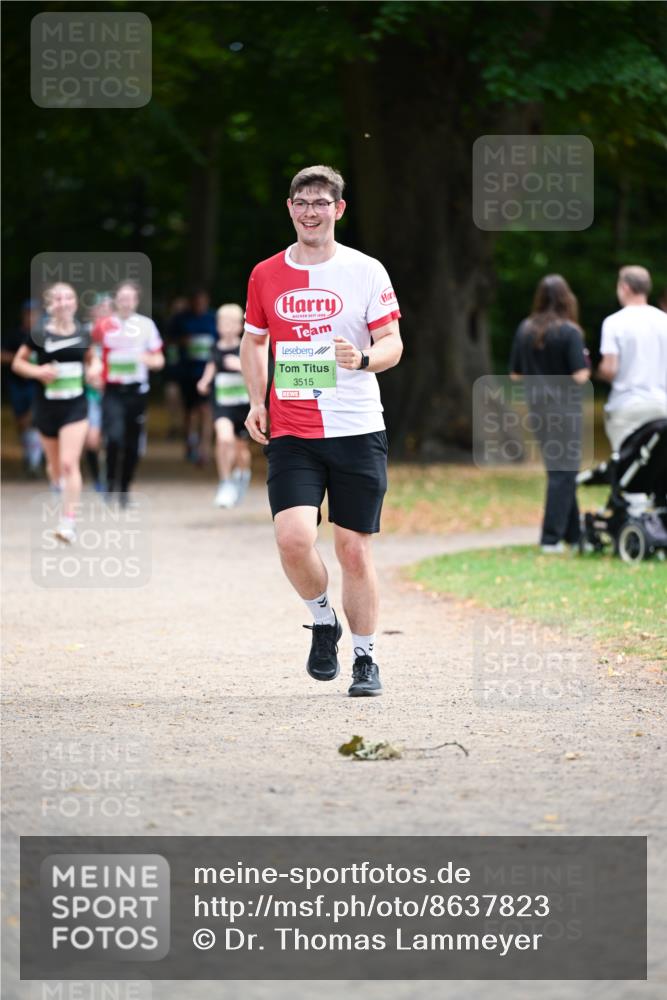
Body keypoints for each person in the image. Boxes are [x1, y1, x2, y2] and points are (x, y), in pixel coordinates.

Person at [241, 164, 402, 697]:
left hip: (357, 427)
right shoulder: (265, 273)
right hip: (292, 427)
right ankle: (323, 620)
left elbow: (393, 344)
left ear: (339, 209)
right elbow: (253, 341)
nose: (311, 211)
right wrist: (255, 400)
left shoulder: (366, 271)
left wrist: (360, 358)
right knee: (293, 539)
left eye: (321, 202)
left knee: (353, 549)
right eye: (302, 202)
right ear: (290, 208)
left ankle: (365, 658)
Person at [11, 282, 99, 542]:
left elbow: (92, 359)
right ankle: (61, 491)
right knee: (55, 467)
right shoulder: (39, 333)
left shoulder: (84, 333)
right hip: (47, 407)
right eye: (58, 299)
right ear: (51, 305)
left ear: (74, 303)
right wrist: (38, 372)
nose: (63, 302)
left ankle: (68, 523)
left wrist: (94, 369)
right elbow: (18, 362)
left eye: (68, 298)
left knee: (69, 463)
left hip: (76, 406)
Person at [509, 274, 590, 554]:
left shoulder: (525, 329)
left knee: (560, 471)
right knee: (563, 472)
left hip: (538, 410)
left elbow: (516, 375)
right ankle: (551, 539)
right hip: (565, 410)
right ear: (567, 298)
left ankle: (575, 536)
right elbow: (580, 375)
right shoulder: (570, 332)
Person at [94, 281, 164, 504]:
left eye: (130, 298)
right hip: (112, 391)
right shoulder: (104, 325)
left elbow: (159, 359)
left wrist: (148, 360)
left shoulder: (146, 325)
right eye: (121, 298)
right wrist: (94, 371)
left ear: (136, 301)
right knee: (114, 437)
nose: (125, 303)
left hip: (137, 392)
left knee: (133, 443)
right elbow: (93, 356)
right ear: (116, 300)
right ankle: (110, 481)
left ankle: (124, 487)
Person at [597, 265, 667, 452]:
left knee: (626, 468)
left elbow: (610, 369)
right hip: (662, 406)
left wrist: (597, 371)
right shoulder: (664, 320)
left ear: (625, 287)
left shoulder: (614, 322)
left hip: (627, 406)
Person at [196, 303, 252, 508]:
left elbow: (258, 373)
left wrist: (240, 366)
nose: (226, 326)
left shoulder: (245, 347)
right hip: (222, 404)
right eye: (222, 322)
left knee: (241, 450)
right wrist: (203, 382)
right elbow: (210, 367)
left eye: (231, 322)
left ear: (240, 326)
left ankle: (243, 474)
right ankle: (226, 482)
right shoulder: (215, 347)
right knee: (224, 438)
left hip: (244, 406)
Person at [170, 289, 217, 464]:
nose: (199, 305)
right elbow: (169, 341)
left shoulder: (213, 318)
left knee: (206, 410)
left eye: (202, 301)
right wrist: (183, 341)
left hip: (208, 372)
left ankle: (204, 449)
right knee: (189, 411)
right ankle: (190, 442)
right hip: (187, 372)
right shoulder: (181, 318)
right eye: (196, 301)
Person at [1, 300, 43, 476]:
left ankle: (35, 461)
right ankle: (30, 453)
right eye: (28, 314)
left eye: (34, 314)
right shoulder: (14, 335)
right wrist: (20, 361)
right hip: (18, 384)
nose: (30, 317)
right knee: (22, 422)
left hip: (37, 384)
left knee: (32, 420)